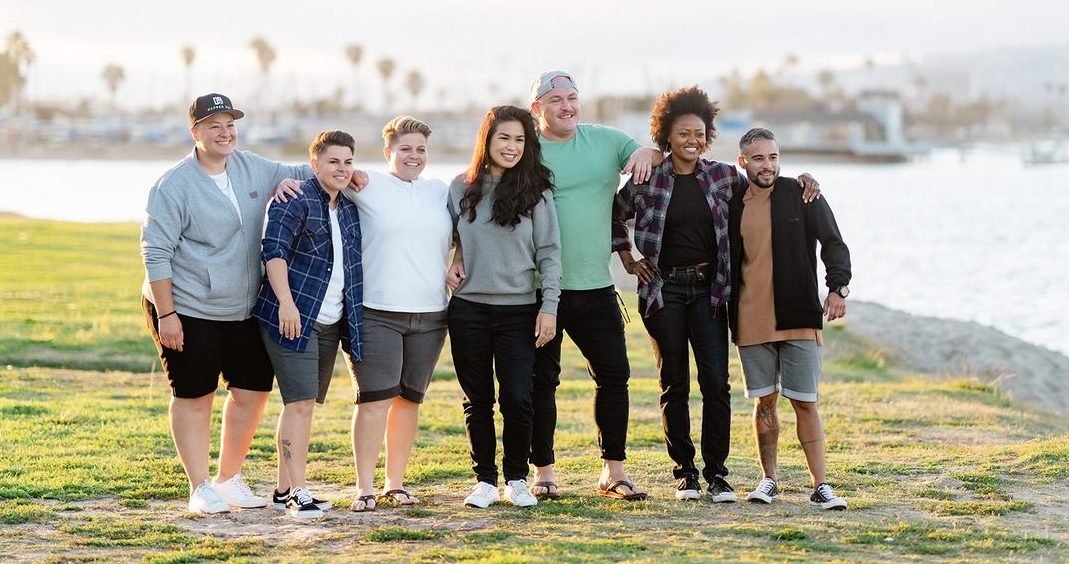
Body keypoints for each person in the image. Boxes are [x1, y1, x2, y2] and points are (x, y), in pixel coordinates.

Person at [613, 87, 820, 502]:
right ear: (666, 135)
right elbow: (615, 212)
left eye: (699, 132)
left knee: (716, 383)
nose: (692, 139)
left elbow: (766, 187)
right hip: (662, 289)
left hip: (710, 291)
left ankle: (717, 475)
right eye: (683, 132)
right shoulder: (649, 176)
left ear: (707, 136)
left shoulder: (724, 176)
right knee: (673, 383)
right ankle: (686, 474)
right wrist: (627, 256)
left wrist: (802, 180)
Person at [141, 93, 314, 514]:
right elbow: (155, 253)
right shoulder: (173, 185)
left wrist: (357, 176)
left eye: (230, 124)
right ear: (195, 131)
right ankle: (199, 487)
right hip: (185, 305)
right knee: (195, 395)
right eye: (214, 125)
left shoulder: (250, 165)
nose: (225, 132)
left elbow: (307, 171)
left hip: (242, 305)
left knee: (253, 390)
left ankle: (228, 478)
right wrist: (168, 315)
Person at [526, 71, 662, 500]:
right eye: (555, 100)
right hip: (538, 288)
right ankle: (543, 473)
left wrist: (645, 152)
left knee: (614, 377)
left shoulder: (605, 140)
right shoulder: (525, 150)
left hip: (596, 287)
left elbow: (653, 153)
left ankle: (613, 472)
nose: (566, 106)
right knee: (540, 382)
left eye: (572, 98)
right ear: (537, 109)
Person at [728, 127, 851, 510]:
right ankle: (769, 480)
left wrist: (837, 288)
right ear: (743, 161)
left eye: (774, 157)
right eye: (760, 158)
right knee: (764, 402)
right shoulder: (732, 201)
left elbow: (834, 242)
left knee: (805, 402)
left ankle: (821, 486)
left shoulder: (803, 194)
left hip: (799, 314)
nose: (768, 165)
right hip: (751, 318)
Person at [445, 106, 562, 508]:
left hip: (519, 310)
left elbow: (549, 254)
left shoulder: (536, 192)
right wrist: (454, 257)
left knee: (517, 396)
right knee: (477, 399)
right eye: (504, 138)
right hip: (468, 310)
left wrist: (549, 307)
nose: (511, 147)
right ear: (487, 140)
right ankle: (485, 481)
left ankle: (516, 478)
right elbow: (445, 237)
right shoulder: (460, 187)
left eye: (519, 140)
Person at [342, 117, 452, 512]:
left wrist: (459, 261)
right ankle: (364, 486)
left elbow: (465, 231)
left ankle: (396, 483)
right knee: (373, 400)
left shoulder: (439, 191)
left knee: (409, 400)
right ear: (388, 152)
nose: (414, 156)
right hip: (377, 312)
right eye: (405, 148)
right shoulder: (366, 184)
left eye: (421, 149)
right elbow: (323, 169)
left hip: (431, 314)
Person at [252, 131, 363, 519]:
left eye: (348, 162)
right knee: (298, 404)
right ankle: (299, 490)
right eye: (334, 161)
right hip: (293, 317)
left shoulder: (348, 207)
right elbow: (274, 251)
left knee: (305, 406)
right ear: (314, 163)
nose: (342, 169)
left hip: (331, 320)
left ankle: (283, 490)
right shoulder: (293, 199)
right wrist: (286, 303)